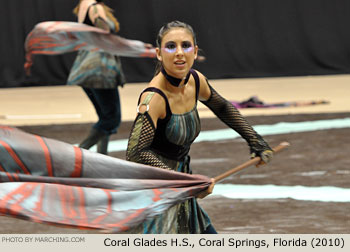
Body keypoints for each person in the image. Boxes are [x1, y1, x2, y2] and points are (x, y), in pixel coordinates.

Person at [126, 21, 273, 234]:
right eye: (171, 46)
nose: (179, 53)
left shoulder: (195, 80)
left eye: (185, 46)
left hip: (180, 184)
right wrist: (182, 182)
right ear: (158, 53)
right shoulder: (154, 97)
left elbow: (222, 107)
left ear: (195, 52)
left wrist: (255, 140)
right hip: (156, 189)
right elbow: (135, 152)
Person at [69, 0, 125, 154]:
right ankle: (77, 155)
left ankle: (102, 156)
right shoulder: (95, 8)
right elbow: (106, 35)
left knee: (105, 117)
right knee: (111, 119)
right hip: (99, 69)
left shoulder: (83, 7)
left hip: (86, 69)